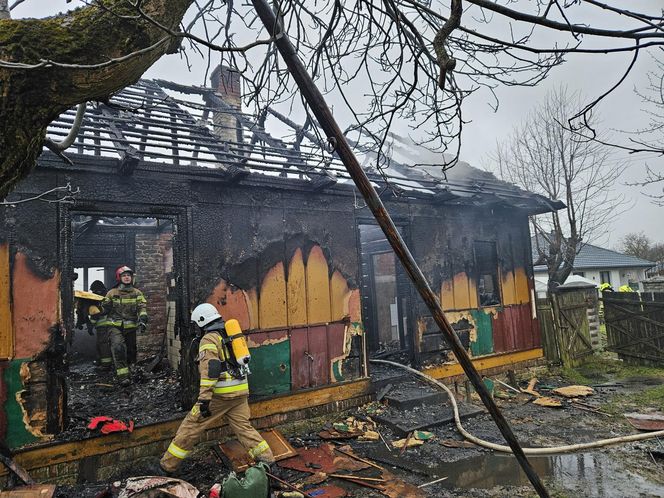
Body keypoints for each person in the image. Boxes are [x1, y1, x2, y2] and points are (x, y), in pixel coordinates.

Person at [158, 303, 274, 475]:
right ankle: (268, 461)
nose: (196, 328)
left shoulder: (209, 339)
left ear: (202, 321)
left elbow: (211, 370)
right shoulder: (230, 333)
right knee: (244, 429)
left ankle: (166, 466)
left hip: (221, 396)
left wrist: (204, 399)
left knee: (190, 427)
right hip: (240, 394)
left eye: (197, 325)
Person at [98, 266, 148, 386]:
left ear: (131, 278)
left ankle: (132, 371)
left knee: (131, 351)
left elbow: (142, 307)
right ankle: (123, 376)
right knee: (118, 347)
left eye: (128, 275)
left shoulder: (137, 293)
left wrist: (143, 319)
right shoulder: (112, 293)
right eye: (124, 275)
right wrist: (96, 310)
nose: (126, 277)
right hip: (114, 326)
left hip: (131, 327)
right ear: (119, 278)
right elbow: (105, 308)